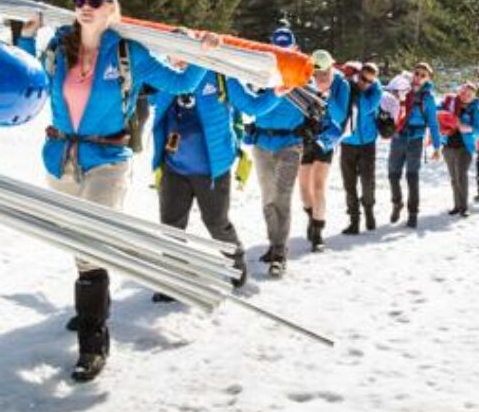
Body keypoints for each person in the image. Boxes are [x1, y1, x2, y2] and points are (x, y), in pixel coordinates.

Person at [18, 0, 215, 383]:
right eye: (79, 0)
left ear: (111, 7)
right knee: (78, 238)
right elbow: (29, 79)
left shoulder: (129, 52)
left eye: (95, 0)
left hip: (108, 158)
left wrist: (202, 55)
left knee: (92, 240)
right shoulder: (59, 46)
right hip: (62, 156)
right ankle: (92, 300)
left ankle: (93, 342)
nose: (85, 7)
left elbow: (180, 82)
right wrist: (26, 38)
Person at [149, 65, 282, 301]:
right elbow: (142, 93)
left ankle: (236, 262)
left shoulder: (220, 75)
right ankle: (174, 281)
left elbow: (252, 106)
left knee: (217, 223)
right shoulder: (168, 75)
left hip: (212, 171)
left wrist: (276, 93)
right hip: (174, 167)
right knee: (170, 227)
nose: (177, 59)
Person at [247, 27, 309, 276]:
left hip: (289, 144)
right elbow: (248, 101)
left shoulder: (302, 75)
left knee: (282, 198)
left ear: (294, 48)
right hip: (262, 143)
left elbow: (318, 102)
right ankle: (273, 244)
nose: (281, 52)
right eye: (277, 47)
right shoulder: (261, 74)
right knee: (267, 199)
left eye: (286, 48)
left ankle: (280, 253)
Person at [297, 50, 349, 251]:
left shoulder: (341, 84)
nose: (321, 77)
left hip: (328, 137)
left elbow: (340, 116)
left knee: (318, 185)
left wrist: (326, 95)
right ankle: (312, 218)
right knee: (304, 187)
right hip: (307, 135)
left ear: (331, 68)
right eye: (316, 73)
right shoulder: (305, 80)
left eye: (325, 72)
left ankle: (318, 232)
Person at [389, 61, 442, 228]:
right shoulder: (402, 89)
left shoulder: (428, 98)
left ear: (428, 79)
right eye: (417, 73)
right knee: (393, 175)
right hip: (398, 136)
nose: (418, 77)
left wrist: (437, 146)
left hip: (416, 140)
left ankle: (413, 213)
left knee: (412, 177)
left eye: (423, 75)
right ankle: (397, 203)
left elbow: (433, 123)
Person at [339, 62, 384, 235]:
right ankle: (354, 220)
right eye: (363, 79)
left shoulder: (376, 91)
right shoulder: (348, 86)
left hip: (367, 144)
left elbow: (365, 108)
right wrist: (350, 84)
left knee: (367, 182)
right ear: (358, 75)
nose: (366, 83)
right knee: (349, 184)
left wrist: (358, 91)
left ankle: (369, 212)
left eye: (370, 81)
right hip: (348, 142)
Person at [441, 82, 479, 216]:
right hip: (448, 146)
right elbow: (436, 113)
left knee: (461, 176)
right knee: (454, 178)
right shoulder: (450, 104)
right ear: (460, 92)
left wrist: (469, 128)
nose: (466, 96)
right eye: (464, 93)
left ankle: (464, 207)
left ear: (473, 96)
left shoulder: (475, 109)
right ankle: (456, 206)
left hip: (464, 148)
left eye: (469, 95)